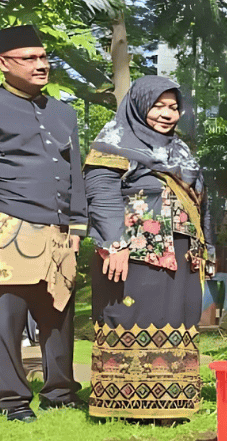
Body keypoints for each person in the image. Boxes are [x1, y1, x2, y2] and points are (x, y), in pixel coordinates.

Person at [0, 25, 86, 422]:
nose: (41, 64)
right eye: (29, 58)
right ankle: (11, 400)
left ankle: (60, 392)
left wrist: (78, 226)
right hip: (8, 226)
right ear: (2, 63)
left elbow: (73, 172)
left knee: (58, 315)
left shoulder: (64, 112)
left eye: (43, 57)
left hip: (59, 231)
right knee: (6, 319)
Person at [84, 76, 211, 421]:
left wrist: (206, 248)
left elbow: (200, 201)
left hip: (182, 250)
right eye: (158, 106)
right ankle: (124, 406)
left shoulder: (179, 149)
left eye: (173, 107)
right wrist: (113, 244)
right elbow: (101, 192)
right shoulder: (113, 141)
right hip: (135, 250)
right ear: (139, 105)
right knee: (134, 316)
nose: (167, 114)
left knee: (175, 319)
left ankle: (171, 403)